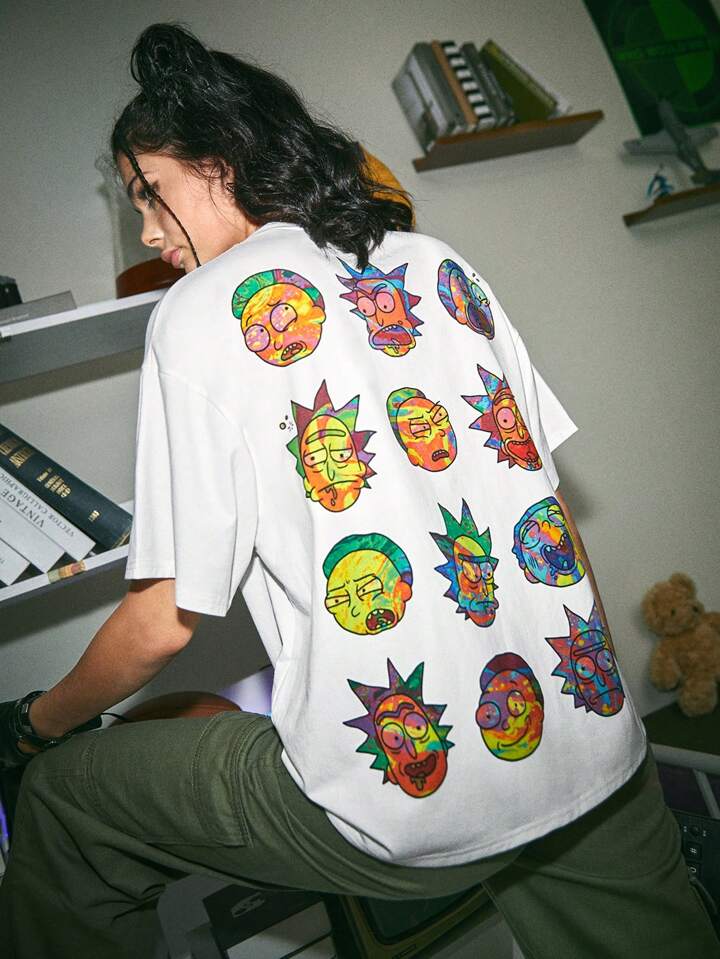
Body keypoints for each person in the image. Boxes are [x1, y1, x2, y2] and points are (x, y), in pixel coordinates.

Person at [0, 22, 717, 959]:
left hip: (413, 801)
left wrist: (34, 723)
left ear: (219, 161)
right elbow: (547, 510)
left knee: (68, 798)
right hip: (595, 740)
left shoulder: (197, 312)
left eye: (148, 193)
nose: (146, 232)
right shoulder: (439, 262)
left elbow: (163, 621)